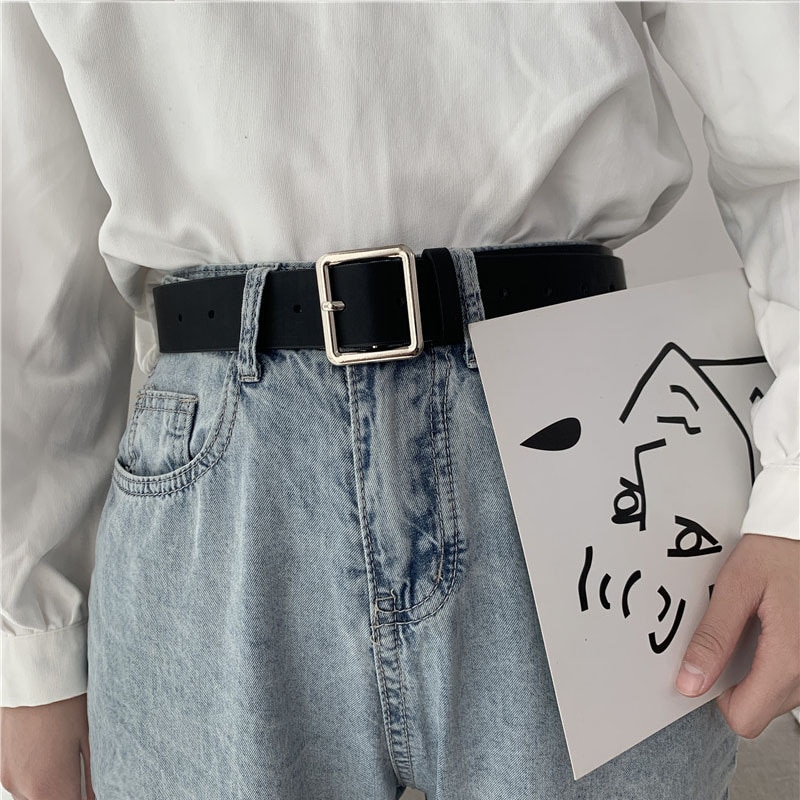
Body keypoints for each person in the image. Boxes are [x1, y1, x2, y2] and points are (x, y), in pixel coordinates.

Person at [1, 2, 797, 799]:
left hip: (571, 425)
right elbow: (30, 231)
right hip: (222, 464)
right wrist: (30, 646)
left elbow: (779, 98)